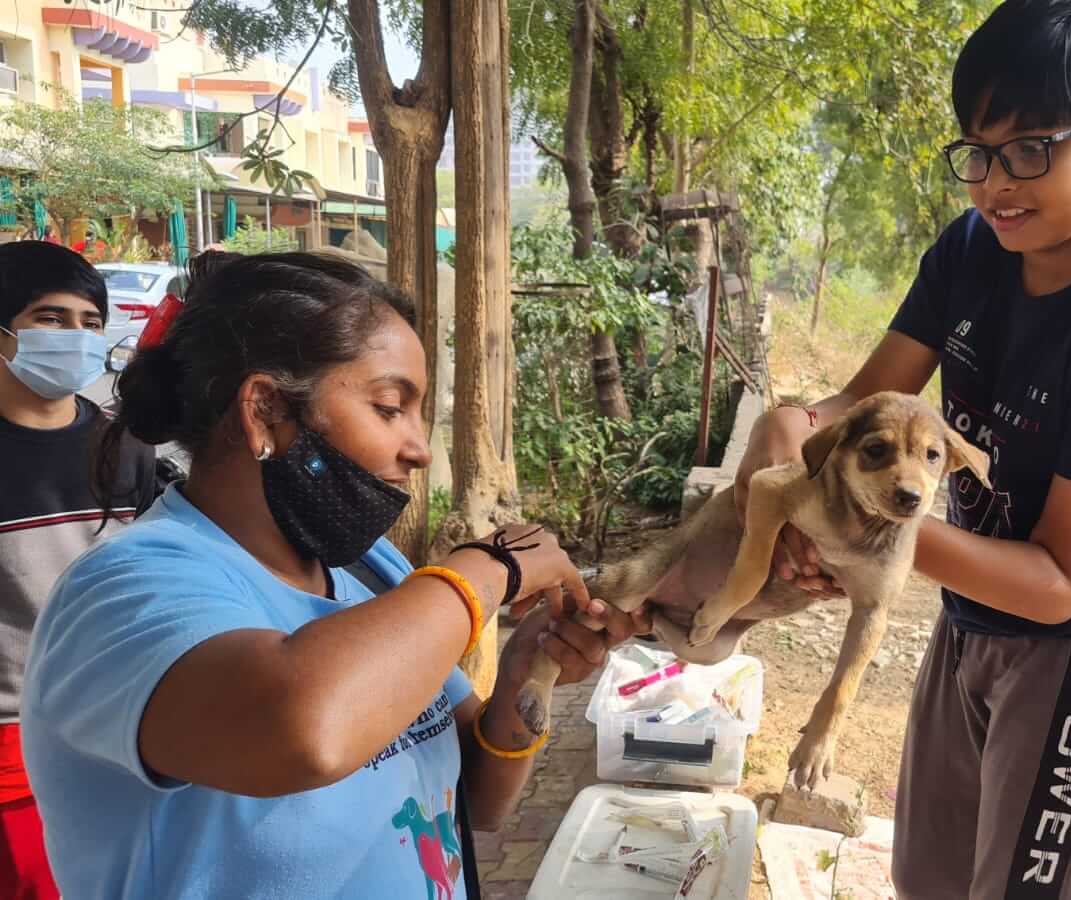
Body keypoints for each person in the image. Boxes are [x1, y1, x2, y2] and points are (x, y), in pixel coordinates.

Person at [731, 3, 1071, 897]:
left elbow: (1063, 578)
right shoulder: (972, 251)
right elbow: (854, 403)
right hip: (972, 613)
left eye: (1032, 149)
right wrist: (791, 433)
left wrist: (856, 524)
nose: (996, 184)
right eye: (978, 153)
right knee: (932, 875)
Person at [21, 251, 648, 899]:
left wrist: (527, 674)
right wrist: (488, 570)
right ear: (265, 410)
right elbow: (304, 731)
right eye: (388, 406)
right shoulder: (121, 596)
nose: (419, 448)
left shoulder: (365, 569)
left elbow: (477, 800)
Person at [0, 241, 157, 900]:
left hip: (122, 725)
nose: (76, 337)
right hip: (12, 749)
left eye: (91, 323)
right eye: (51, 318)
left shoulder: (127, 448)